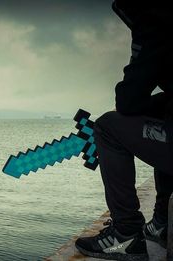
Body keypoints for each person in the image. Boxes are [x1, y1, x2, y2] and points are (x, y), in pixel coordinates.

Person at [74, 1, 173, 260]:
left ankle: (127, 234)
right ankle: (162, 222)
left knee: (107, 126)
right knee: (165, 110)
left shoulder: (155, 21)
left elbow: (128, 101)